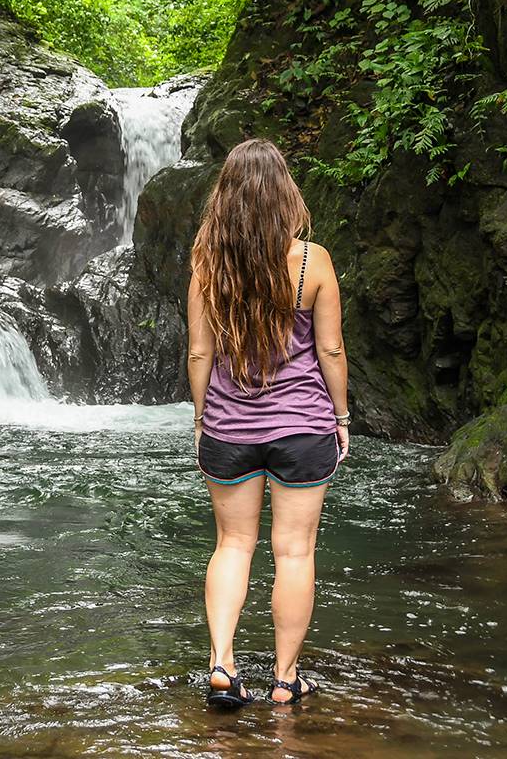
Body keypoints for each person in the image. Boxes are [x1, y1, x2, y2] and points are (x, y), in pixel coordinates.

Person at [186, 138, 350, 709]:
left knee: (232, 545)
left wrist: (204, 417)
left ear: (226, 196)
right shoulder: (313, 261)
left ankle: (223, 665)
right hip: (304, 427)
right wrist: (342, 416)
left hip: (230, 428)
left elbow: (200, 354)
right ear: (285, 193)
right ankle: (285, 679)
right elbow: (330, 350)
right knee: (295, 553)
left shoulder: (208, 263)